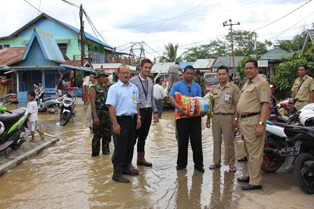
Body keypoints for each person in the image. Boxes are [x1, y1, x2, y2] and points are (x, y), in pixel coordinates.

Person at [237, 59, 270, 190]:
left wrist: (261, 124)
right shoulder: (247, 83)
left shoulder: (262, 83)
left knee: (255, 153)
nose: (248, 70)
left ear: (257, 69)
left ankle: (256, 182)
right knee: (249, 152)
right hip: (244, 121)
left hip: (254, 120)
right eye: (246, 68)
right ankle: (251, 176)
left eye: (251, 68)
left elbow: (265, 104)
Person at [106, 64, 141, 183]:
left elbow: (136, 103)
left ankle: (126, 167)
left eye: (127, 73)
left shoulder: (134, 88)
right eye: (123, 73)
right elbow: (111, 107)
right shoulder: (114, 88)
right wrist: (115, 124)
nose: (126, 75)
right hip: (120, 120)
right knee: (120, 147)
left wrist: (138, 117)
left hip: (132, 120)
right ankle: (116, 173)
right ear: (118, 74)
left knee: (130, 145)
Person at [169, 65, 205, 173]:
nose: (189, 75)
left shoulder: (197, 87)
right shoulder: (177, 86)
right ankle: (181, 164)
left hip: (195, 119)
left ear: (194, 75)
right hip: (181, 118)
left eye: (191, 74)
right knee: (182, 141)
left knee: (197, 141)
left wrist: (202, 111)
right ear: (183, 74)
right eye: (187, 73)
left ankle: (199, 165)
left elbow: (200, 100)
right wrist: (178, 107)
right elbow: (171, 97)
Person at [206, 65, 239, 172]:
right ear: (217, 75)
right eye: (219, 74)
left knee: (229, 141)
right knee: (216, 141)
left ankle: (231, 163)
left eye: (223, 74)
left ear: (227, 75)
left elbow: (237, 104)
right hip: (216, 117)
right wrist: (208, 118)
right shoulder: (213, 89)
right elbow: (210, 104)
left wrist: (236, 119)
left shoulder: (233, 88)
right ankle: (216, 162)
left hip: (228, 117)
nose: (221, 76)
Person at [130, 58, 159, 170]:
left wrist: (155, 112)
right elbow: (132, 99)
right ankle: (128, 162)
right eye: (145, 67)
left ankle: (140, 159)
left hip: (148, 111)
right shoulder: (133, 81)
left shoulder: (150, 81)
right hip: (138, 111)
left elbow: (151, 98)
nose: (147, 70)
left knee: (143, 137)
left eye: (149, 68)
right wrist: (137, 115)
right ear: (140, 67)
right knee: (133, 137)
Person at [89, 70, 111, 157]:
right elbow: (93, 103)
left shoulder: (105, 87)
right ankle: (95, 154)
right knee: (97, 134)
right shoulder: (93, 88)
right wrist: (95, 117)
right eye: (102, 77)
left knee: (107, 133)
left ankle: (106, 151)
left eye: (105, 77)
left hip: (106, 112)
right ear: (98, 77)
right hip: (98, 112)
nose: (104, 78)